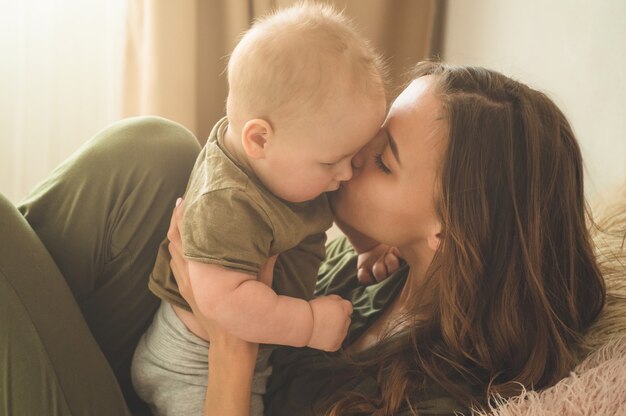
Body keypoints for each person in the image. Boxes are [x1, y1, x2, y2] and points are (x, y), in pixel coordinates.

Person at [0, 61, 607, 416]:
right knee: (153, 150)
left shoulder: (435, 396)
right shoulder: (381, 270)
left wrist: (230, 338)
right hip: (150, 379)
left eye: (383, 162)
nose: (354, 154)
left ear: (449, 233)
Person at [130, 3, 388, 416]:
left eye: (352, 156)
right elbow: (221, 304)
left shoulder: (292, 161)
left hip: (235, 352)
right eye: (331, 162)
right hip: (190, 363)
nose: (345, 173)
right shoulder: (227, 201)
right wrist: (307, 324)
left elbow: (335, 202)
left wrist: (367, 243)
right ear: (260, 140)